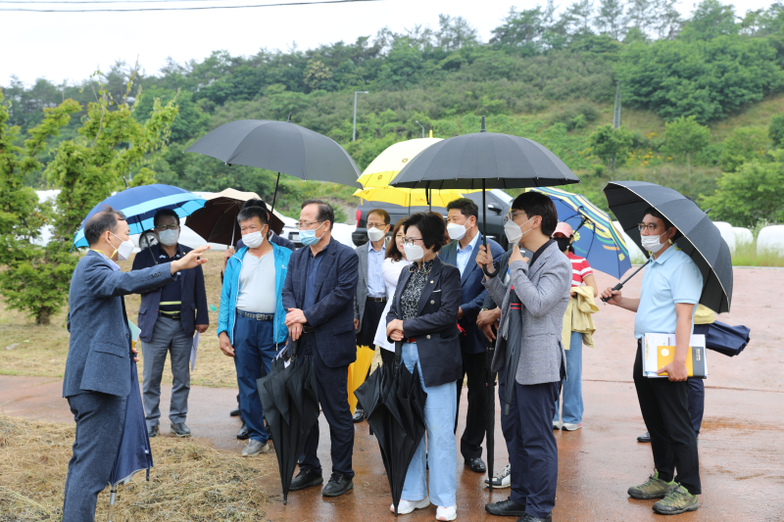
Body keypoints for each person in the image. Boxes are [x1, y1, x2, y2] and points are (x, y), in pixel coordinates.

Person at [62, 207, 208, 521]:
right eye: (126, 235)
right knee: (90, 473)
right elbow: (128, 282)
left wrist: (120, 343)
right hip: (96, 383)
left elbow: (78, 322)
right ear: (108, 235)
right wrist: (175, 266)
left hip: (97, 377)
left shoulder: (98, 267)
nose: (130, 241)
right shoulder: (93, 265)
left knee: (87, 467)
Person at [601, 206, 703, 516]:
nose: (645, 232)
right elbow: (650, 306)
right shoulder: (654, 263)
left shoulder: (682, 265)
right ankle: (662, 475)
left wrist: (679, 361)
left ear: (670, 231)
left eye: (651, 227)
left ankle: (688, 488)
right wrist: (620, 302)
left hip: (668, 350)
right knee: (654, 420)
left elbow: (684, 316)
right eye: (642, 226)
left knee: (677, 422)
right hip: (645, 347)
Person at [479, 192, 571, 522]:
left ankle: (540, 510)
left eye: (513, 216)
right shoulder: (529, 257)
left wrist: (515, 267)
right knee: (514, 433)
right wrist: (491, 275)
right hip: (515, 361)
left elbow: (538, 304)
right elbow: (512, 305)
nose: (508, 223)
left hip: (539, 365)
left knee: (537, 439)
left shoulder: (556, 262)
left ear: (534, 221)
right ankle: (520, 498)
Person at [385, 212, 462, 521]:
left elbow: (447, 315)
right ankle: (413, 493)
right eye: (404, 239)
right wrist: (392, 325)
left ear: (431, 242)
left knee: (440, 431)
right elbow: (393, 308)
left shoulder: (448, 274)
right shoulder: (405, 272)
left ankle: (444, 498)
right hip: (405, 358)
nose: (406, 244)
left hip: (436, 360)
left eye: (413, 239)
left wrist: (408, 325)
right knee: (409, 428)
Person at [282, 200, 359, 498]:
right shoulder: (298, 256)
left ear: (325, 225)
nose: (301, 228)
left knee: (337, 412)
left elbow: (341, 295)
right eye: (300, 223)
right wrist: (294, 312)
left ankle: (343, 473)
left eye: (306, 222)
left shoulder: (346, 256)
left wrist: (307, 315)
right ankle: (310, 468)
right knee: (303, 410)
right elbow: (288, 289)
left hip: (331, 344)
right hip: (301, 343)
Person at [217, 204, 292, 457]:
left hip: (274, 327)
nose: (247, 232)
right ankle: (257, 435)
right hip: (244, 325)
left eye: (252, 227)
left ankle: (278, 431)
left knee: (277, 382)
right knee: (247, 381)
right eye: (243, 228)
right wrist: (223, 332)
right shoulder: (237, 259)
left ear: (265, 228)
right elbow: (226, 297)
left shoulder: (285, 256)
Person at [438, 198, 504, 474]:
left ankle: (472, 450)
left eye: (454, 219)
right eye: (448, 219)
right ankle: (442, 447)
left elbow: (492, 290)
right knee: (445, 392)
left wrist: (463, 310)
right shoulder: (446, 250)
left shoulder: (493, 249)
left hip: (478, 331)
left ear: (471, 220)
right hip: (448, 335)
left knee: (480, 394)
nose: (449, 224)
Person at [132, 209, 209, 439]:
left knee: (182, 376)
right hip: (155, 323)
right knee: (152, 376)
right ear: (155, 231)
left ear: (179, 228)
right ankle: (151, 420)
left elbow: (199, 288)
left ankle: (178, 420)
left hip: (183, 324)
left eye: (172, 226)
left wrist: (202, 317)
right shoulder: (145, 257)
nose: (168, 231)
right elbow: (136, 286)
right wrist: (161, 271)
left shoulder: (189, 254)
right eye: (163, 227)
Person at [637, 304, 713, 443]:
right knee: (663, 376)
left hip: (693, 319)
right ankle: (664, 429)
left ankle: (690, 431)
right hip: (671, 318)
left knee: (692, 374)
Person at [551, 221, 598, 432]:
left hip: (573, 322)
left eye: (563, 237)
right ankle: (549, 415)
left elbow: (593, 290)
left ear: (571, 240)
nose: (559, 240)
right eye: (555, 237)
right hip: (551, 319)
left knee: (571, 371)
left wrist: (575, 291)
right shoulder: (546, 260)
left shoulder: (580, 261)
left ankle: (572, 416)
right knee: (550, 369)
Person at [352, 208, 391, 422]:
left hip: (387, 309)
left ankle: (386, 400)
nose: (372, 228)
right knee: (363, 357)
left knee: (389, 357)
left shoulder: (395, 251)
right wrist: (355, 313)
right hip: (366, 308)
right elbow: (353, 288)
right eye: (369, 224)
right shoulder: (358, 253)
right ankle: (361, 403)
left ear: (387, 228)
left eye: (377, 225)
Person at [373, 218, 409, 368]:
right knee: (392, 377)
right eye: (399, 235)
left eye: (407, 235)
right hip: (392, 326)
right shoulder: (390, 263)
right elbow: (405, 282)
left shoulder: (427, 262)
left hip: (417, 328)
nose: (402, 239)